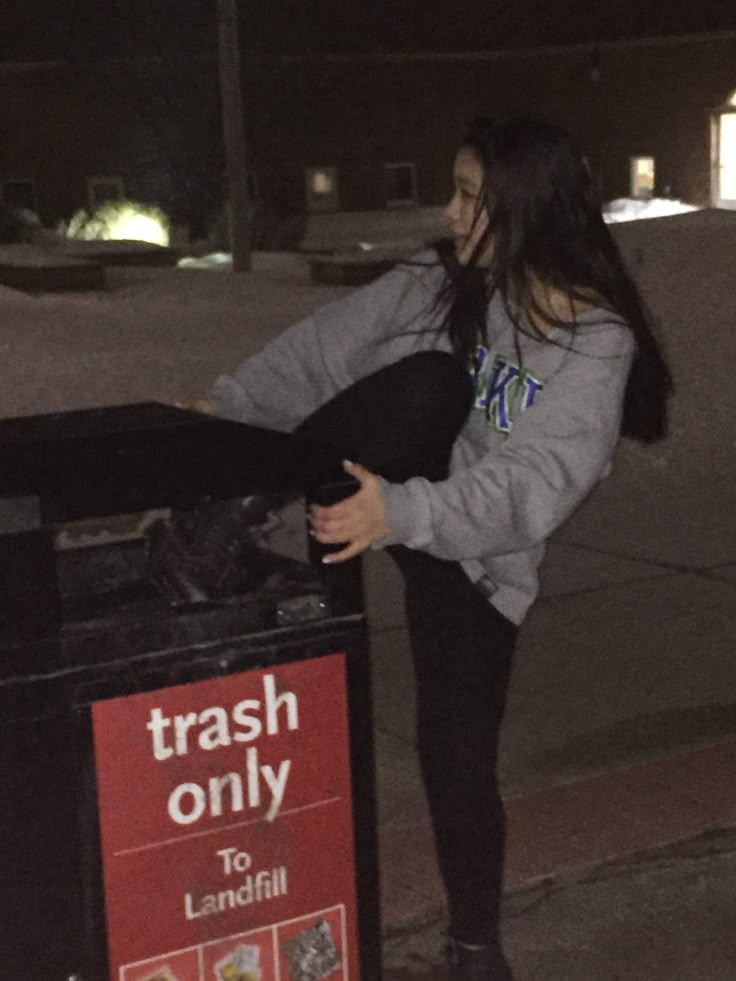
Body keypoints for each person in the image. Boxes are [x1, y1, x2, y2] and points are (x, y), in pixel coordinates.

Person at [155, 115, 673, 980]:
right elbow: (326, 351)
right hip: (399, 490)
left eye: (470, 194)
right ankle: (226, 529)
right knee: (427, 383)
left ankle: (477, 952)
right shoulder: (445, 278)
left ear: (526, 209)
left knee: (455, 752)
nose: (450, 208)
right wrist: (234, 409)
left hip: (476, 553)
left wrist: (400, 517)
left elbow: (532, 485)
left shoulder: (595, 342)